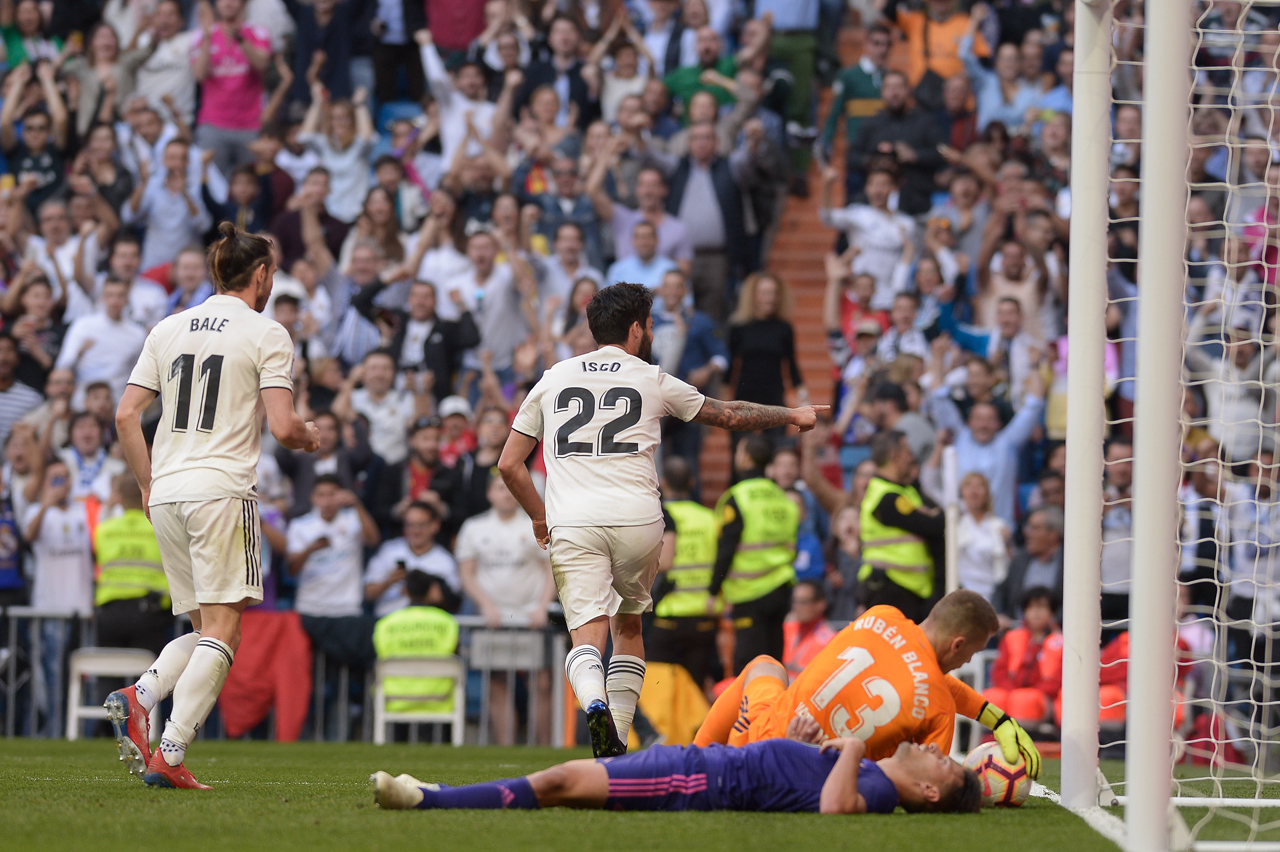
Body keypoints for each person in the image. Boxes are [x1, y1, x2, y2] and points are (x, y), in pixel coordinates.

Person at [498, 282, 826, 757]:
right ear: (636, 329)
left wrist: (538, 517)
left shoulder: (554, 378)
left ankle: (594, 703)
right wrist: (791, 414)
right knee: (628, 628)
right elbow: (729, 415)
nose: (650, 332)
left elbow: (510, 464)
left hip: (574, 521)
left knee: (586, 636)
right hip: (638, 520)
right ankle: (617, 742)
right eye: (650, 325)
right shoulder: (651, 378)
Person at [107, 224, 321, 789]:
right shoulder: (267, 332)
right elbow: (283, 427)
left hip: (168, 492)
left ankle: (142, 695)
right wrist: (309, 436)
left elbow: (126, 415)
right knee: (224, 633)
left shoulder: (168, 327)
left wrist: (147, 485)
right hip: (221, 489)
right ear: (260, 274)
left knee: (206, 628)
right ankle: (169, 752)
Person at [693, 591, 1041, 781]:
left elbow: (909, 668)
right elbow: (929, 779)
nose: (966, 662)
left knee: (765, 665)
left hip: (755, 736)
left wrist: (994, 716)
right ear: (958, 644)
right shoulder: (939, 706)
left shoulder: (880, 614)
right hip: (802, 781)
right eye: (972, 653)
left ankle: (695, 757)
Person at [372, 734, 982, 815]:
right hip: (701, 764)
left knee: (561, 782)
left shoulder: (876, 787)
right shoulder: (870, 772)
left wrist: (852, 747)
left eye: (944, 762)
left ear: (929, 790)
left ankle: (428, 802)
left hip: (698, 780)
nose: (935, 750)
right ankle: (441, 793)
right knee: (566, 777)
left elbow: (834, 809)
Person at [455, 475, 555, 745]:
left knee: (541, 683)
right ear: (489, 493)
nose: (506, 494)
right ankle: (505, 749)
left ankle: (545, 748)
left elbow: (551, 569)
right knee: (496, 683)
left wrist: (543, 606)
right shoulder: (474, 527)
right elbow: (466, 573)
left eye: (511, 488)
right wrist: (485, 604)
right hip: (493, 619)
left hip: (531, 616)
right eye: (500, 488)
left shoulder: (536, 524)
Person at [714, 435, 799, 672]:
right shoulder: (783, 497)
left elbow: (726, 548)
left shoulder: (737, 497)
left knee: (749, 664)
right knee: (774, 661)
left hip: (749, 592)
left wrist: (713, 590)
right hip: (781, 588)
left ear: (746, 458)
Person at [649, 456, 722, 693]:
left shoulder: (656, 518)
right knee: (694, 691)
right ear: (692, 482)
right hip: (702, 614)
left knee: (659, 689)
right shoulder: (710, 518)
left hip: (665, 613)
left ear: (663, 483)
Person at [371, 570, 460, 725]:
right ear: (430, 590)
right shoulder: (447, 622)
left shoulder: (386, 624)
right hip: (439, 698)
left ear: (405, 591)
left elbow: (378, 656)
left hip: (395, 699)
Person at [982, 586, 1063, 727]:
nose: (1036, 612)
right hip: (1013, 693)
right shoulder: (1011, 637)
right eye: (1031, 607)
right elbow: (999, 672)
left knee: (1024, 701)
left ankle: (1022, 739)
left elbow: (1059, 679)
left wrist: (1032, 692)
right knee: (992, 698)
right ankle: (990, 738)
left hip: (1045, 699)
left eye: (1042, 607)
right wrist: (1012, 692)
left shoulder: (1061, 641)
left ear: (1052, 612)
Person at [364, 500, 460, 618]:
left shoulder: (445, 561)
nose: (416, 531)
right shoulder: (388, 552)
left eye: (421, 525)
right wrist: (389, 582)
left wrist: (426, 593)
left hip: (428, 624)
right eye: (410, 525)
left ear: (435, 525)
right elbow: (368, 594)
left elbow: (454, 601)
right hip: (390, 621)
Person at [782, 580, 837, 680]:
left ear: (820, 604)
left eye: (803, 602)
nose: (796, 607)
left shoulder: (831, 640)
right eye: (794, 601)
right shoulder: (785, 629)